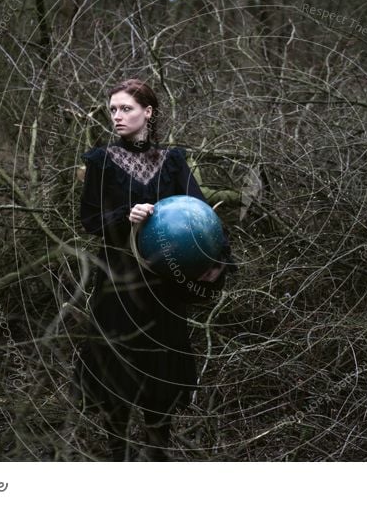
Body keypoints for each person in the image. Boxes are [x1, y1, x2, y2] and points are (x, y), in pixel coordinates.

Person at [75, 78, 237, 462]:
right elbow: (89, 221)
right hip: (117, 283)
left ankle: (156, 460)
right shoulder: (100, 161)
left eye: (126, 108)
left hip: (164, 287)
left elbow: (200, 217)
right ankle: (117, 457)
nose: (117, 115)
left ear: (148, 112)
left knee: (160, 377)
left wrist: (219, 261)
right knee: (116, 373)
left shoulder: (174, 160)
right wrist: (125, 215)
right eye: (112, 109)